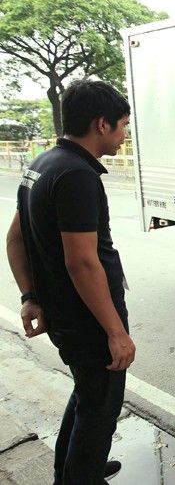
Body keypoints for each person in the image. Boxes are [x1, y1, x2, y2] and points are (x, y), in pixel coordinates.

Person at [6, 79, 135, 483]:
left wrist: (30, 296)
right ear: (102, 124)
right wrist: (115, 331)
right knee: (100, 409)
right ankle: (83, 473)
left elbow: (15, 237)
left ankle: (77, 468)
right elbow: (82, 262)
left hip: (64, 314)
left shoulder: (42, 164)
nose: (125, 134)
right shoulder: (78, 175)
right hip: (88, 322)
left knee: (87, 396)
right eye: (123, 125)